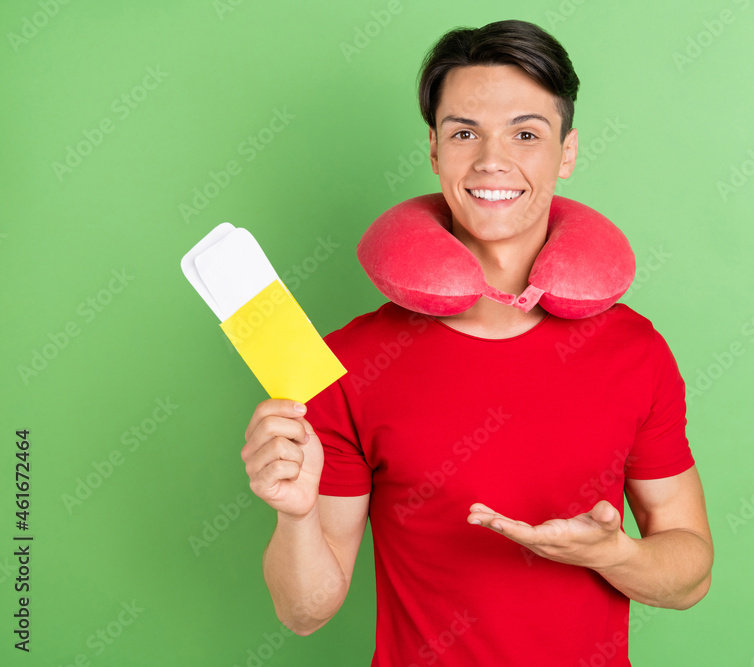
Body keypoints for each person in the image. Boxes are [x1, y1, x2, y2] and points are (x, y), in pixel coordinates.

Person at [241, 19, 712, 666]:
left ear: (566, 152)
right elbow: (304, 611)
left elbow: (690, 570)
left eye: (526, 133)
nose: (493, 160)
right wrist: (294, 516)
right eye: (465, 133)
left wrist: (614, 553)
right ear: (435, 151)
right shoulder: (349, 363)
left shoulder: (635, 350)